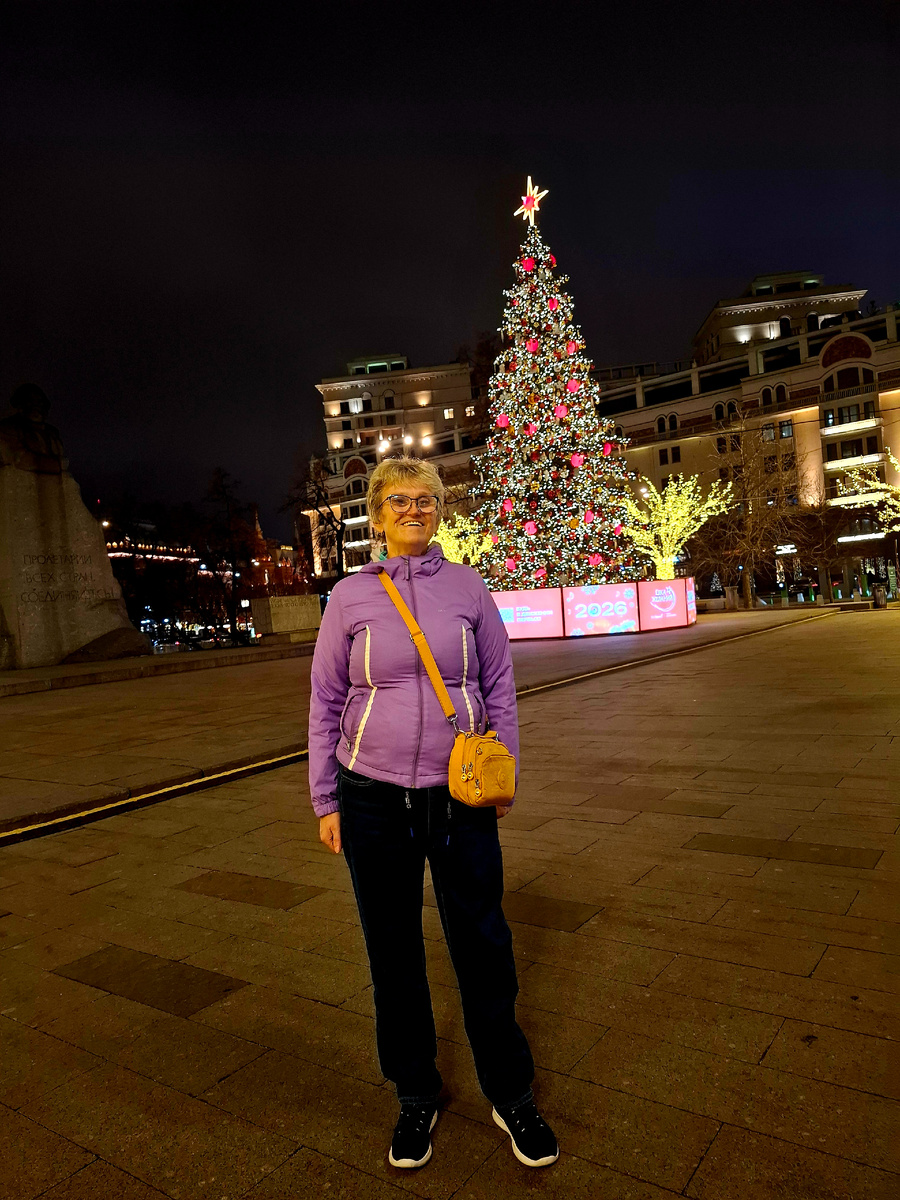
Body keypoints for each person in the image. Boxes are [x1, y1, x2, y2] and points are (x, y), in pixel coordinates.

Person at [308, 456, 558, 1171]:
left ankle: (510, 1091)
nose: (413, 510)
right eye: (399, 500)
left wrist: (502, 773)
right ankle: (415, 1092)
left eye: (425, 499)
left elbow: (499, 682)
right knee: (393, 950)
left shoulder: (469, 587)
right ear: (378, 514)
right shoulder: (350, 596)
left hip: (459, 795)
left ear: (439, 511)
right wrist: (326, 798)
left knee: (483, 942)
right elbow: (326, 700)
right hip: (371, 795)